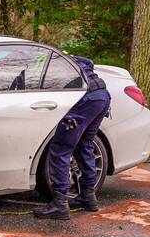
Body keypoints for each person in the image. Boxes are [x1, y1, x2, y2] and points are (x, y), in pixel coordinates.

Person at [34, 56, 111, 220]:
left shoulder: (51, 61)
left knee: (60, 148)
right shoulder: (68, 58)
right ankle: (88, 197)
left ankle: (60, 204)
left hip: (86, 98)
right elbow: (90, 62)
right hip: (102, 95)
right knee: (84, 143)